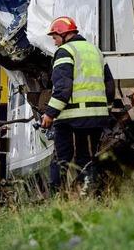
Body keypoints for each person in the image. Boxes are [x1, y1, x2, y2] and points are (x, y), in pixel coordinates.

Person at [41, 16, 115, 193]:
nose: (54, 41)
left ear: (64, 34)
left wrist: (50, 114)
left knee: (62, 158)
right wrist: (106, 109)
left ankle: (56, 197)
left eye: (55, 37)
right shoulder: (95, 51)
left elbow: (63, 88)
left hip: (71, 118)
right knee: (87, 157)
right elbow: (110, 85)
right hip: (97, 117)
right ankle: (89, 193)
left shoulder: (65, 52)